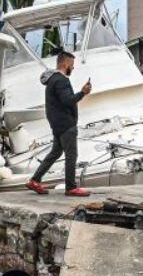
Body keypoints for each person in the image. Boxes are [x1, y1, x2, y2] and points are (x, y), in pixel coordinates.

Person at [26, 50, 93, 196]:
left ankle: (35, 180)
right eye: (72, 64)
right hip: (65, 124)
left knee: (55, 152)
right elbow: (67, 101)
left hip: (57, 123)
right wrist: (83, 92)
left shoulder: (53, 80)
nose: (73, 68)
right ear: (65, 63)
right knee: (71, 154)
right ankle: (71, 187)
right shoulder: (61, 80)